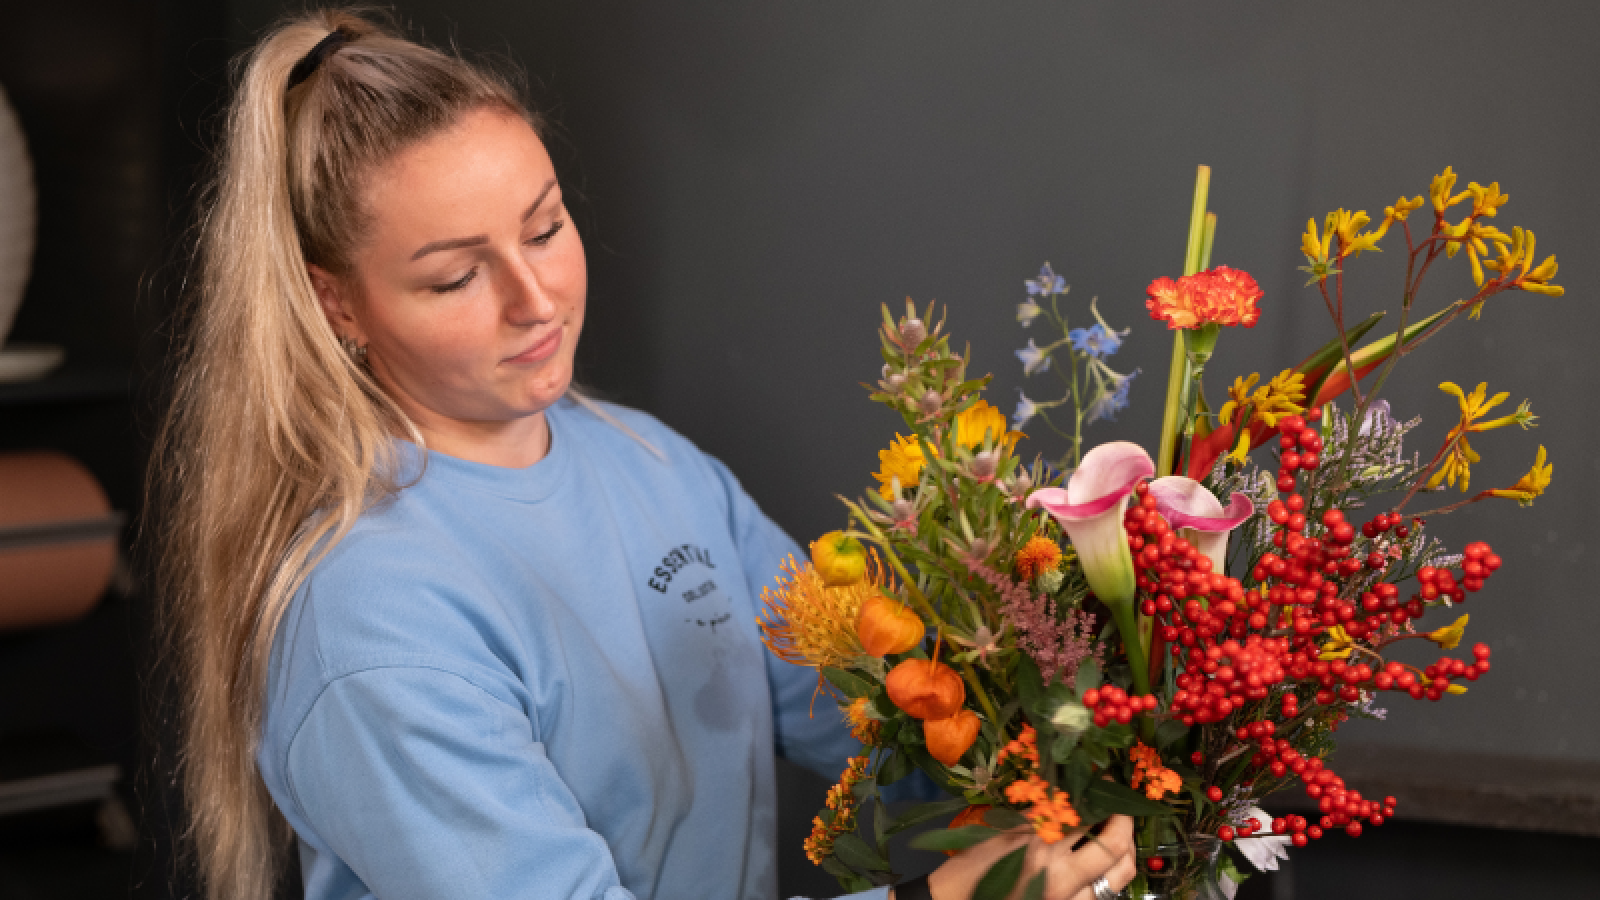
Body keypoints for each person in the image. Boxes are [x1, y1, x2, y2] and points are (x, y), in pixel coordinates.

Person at [152, 10, 1139, 900]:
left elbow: (877, 732)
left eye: (545, 228)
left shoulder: (655, 466)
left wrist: (1083, 724)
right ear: (337, 303)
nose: (534, 299)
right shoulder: (370, 618)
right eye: (455, 278)